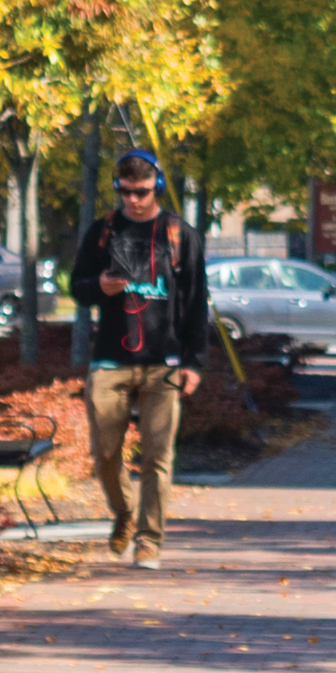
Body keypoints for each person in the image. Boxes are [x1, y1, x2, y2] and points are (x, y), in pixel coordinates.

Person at [63, 148, 209, 564]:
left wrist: (195, 361)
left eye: (142, 192)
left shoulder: (181, 235)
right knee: (106, 455)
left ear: (157, 187)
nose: (133, 200)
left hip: (163, 364)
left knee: (157, 457)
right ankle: (126, 513)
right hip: (109, 361)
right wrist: (100, 287)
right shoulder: (102, 232)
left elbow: (198, 302)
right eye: (125, 192)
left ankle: (149, 541)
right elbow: (77, 287)